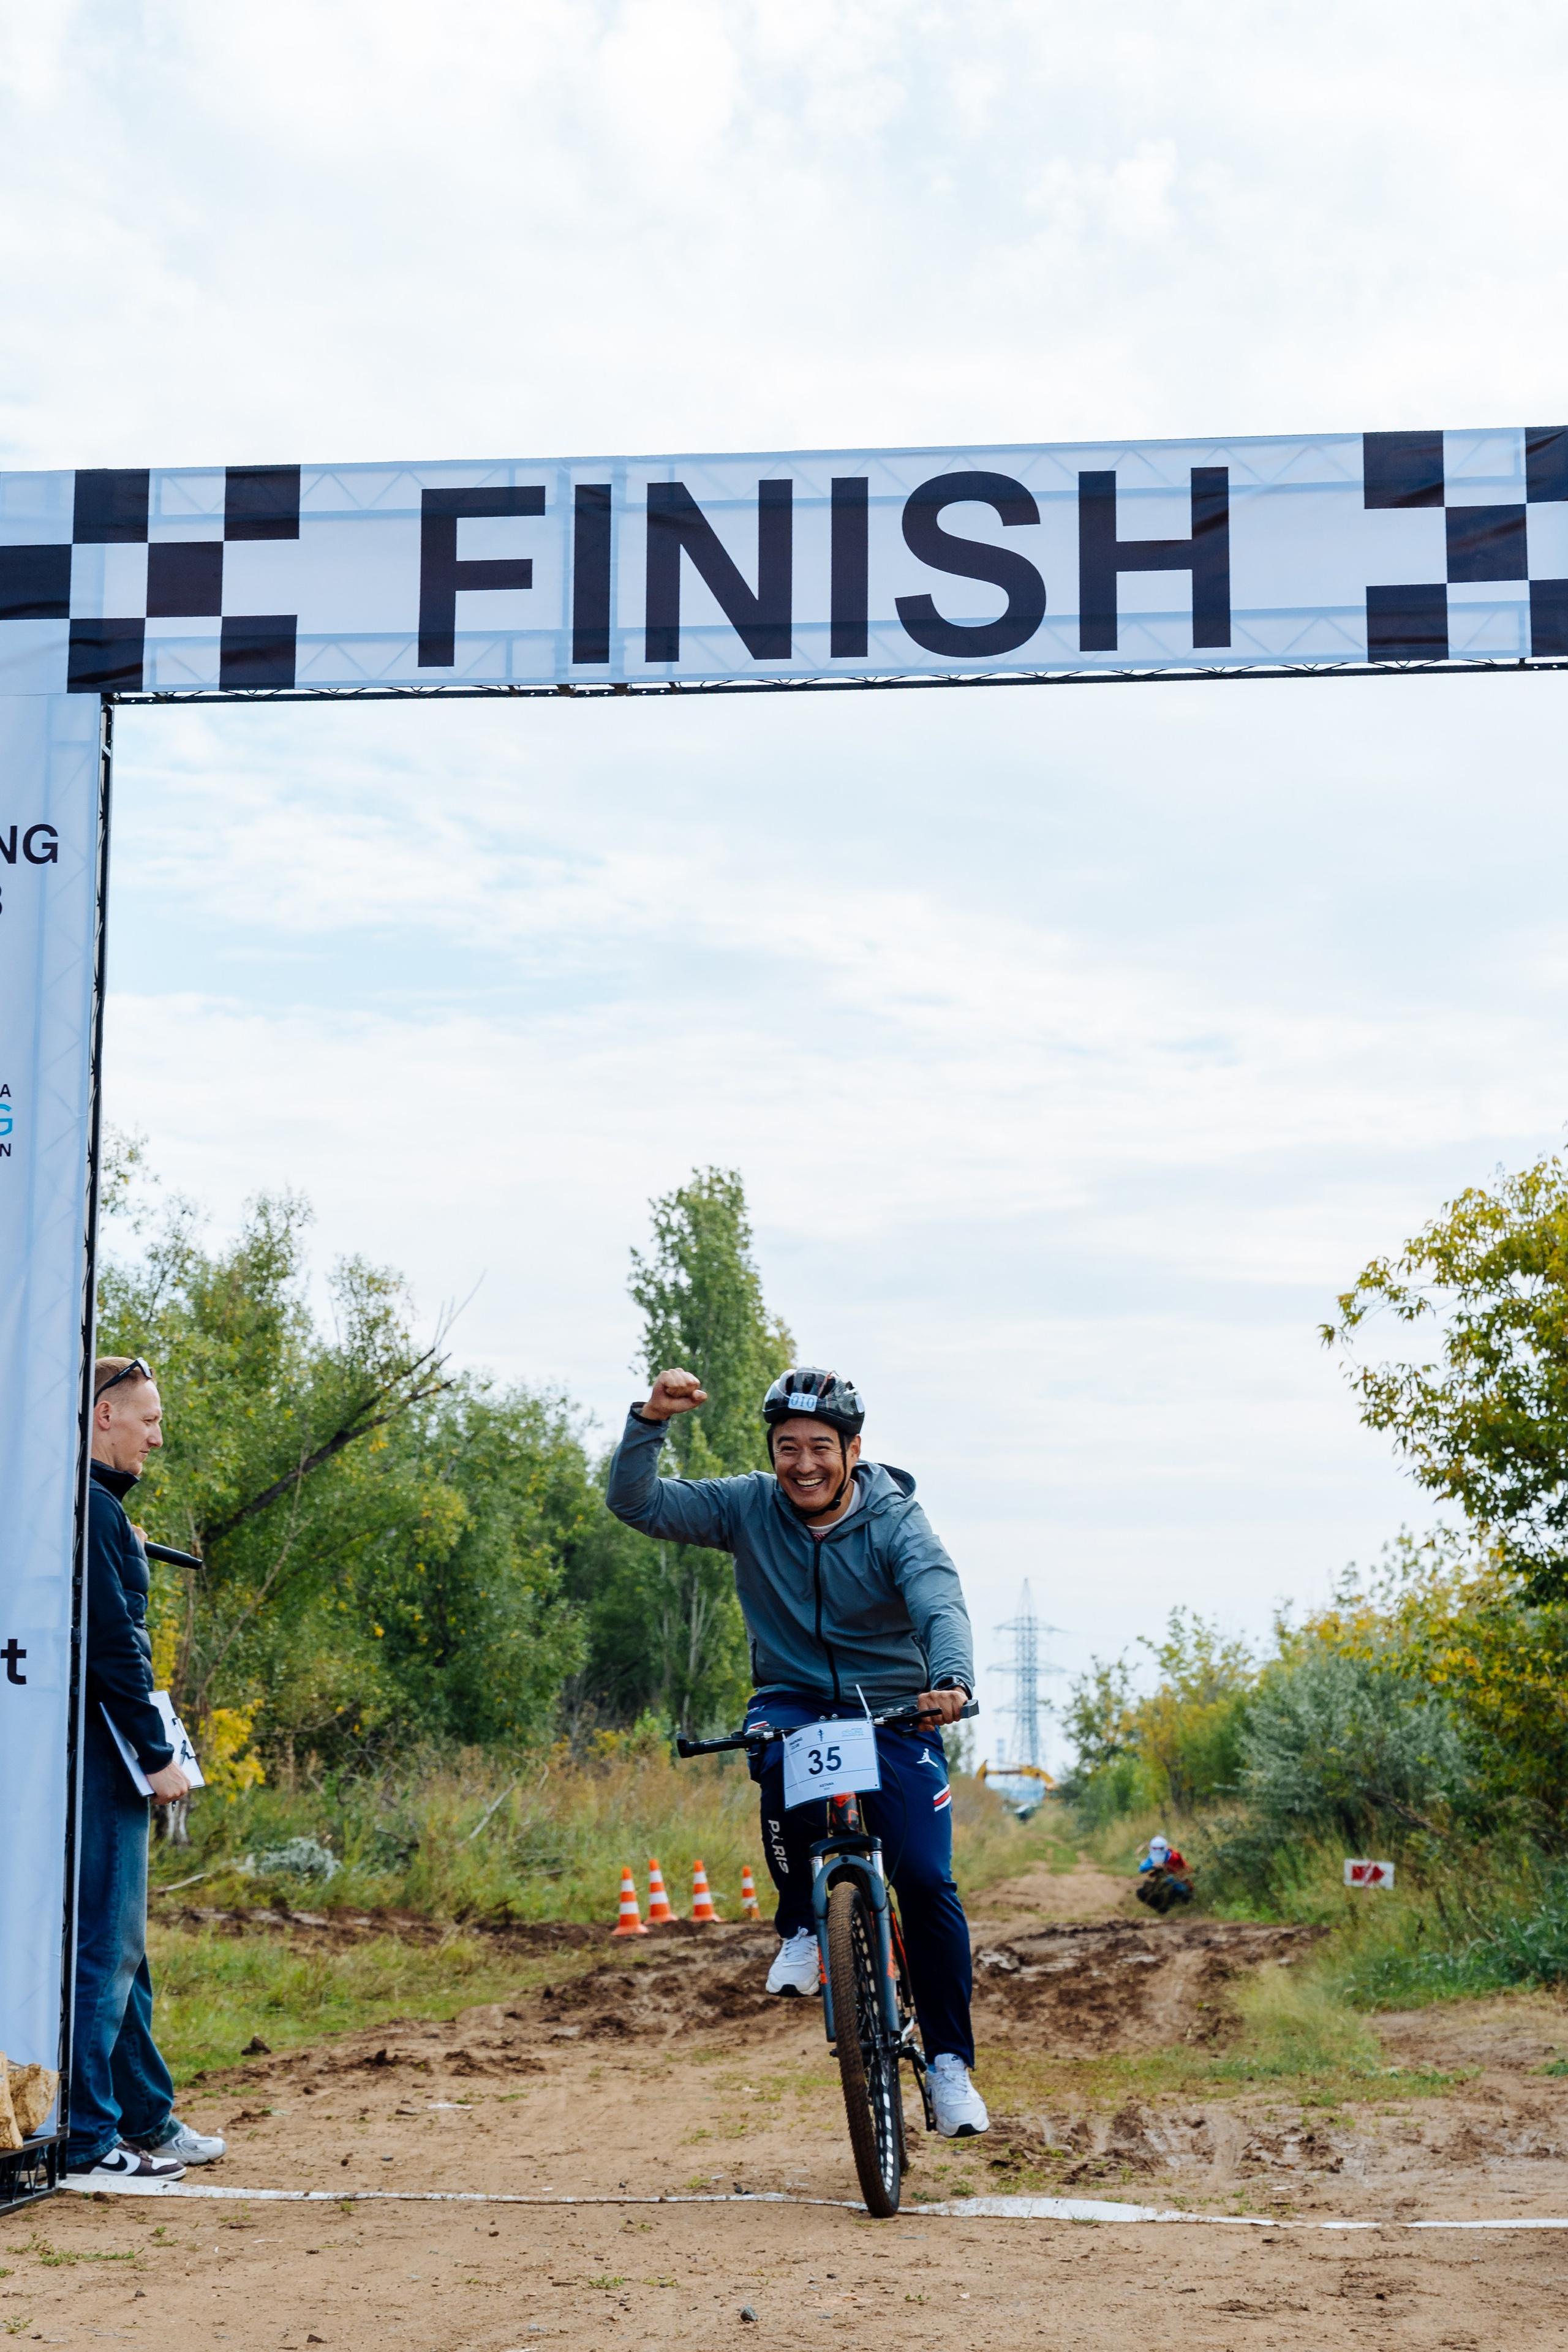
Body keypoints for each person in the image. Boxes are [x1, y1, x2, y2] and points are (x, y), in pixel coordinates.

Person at [607, 1363, 989, 2138]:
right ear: (772, 1451)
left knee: (924, 1878)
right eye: (788, 1447)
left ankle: (949, 2067)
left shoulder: (895, 1521)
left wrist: (949, 1679)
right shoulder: (747, 1506)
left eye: (821, 1446)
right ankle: (802, 1929)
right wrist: (650, 1421)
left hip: (890, 1707)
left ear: (853, 1449)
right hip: (792, 1699)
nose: (804, 1464)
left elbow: (937, 1597)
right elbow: (636, 1503)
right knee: (780, 1767)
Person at [64, 1356, 227, 2182]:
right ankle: (90, 2142)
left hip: (105, 1752)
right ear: (102, 1417)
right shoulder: (89, 1509)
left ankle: (146, 2120)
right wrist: (159, 1755)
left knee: (125, 1947)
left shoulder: (99, 1511)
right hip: (103, 1756)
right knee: (108, 1946)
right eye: (149, 1420)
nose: (157, 1436)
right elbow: (114, 1653)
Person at [1134, 1833, 1194, 1914]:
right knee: (1142, 1892)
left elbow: (1186, 1870)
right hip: (1163, 1884)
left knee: (1173, 1884)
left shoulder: (1174, 1857)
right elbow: (1142, 1869)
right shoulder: (1151, 1857)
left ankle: (1184, 1908)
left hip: (1178, 1883)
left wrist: (1167, 1868)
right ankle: (1162, 1908)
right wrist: (1153, 1865)